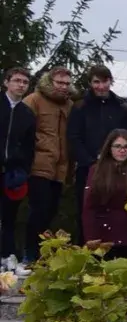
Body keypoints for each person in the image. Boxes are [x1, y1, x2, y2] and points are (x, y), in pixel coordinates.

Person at [69, 66, 127, 240]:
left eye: (104, 81)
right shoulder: (80, 107)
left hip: (116, 168)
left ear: (111, 81)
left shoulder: (121, 107)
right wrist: (89, 161)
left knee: (115, 211)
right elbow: (73, 137)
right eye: (96, 82)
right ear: (90, 83)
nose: (101, 86)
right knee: (87, 211)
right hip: (88, 168)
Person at [21, 68, 72, 268]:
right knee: (38, 210)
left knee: (51, 210)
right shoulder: (34, 100)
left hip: (60, 167)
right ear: (50, 82)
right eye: (59, 82)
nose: (63, 87)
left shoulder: (69, 105)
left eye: (66, 83)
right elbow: (22, 131)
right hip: (39, 164)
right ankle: (29, 252)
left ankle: (43, 253)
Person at [81, 129, 127, 259]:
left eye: (126, 147)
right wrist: (91, 236)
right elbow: (90, 207)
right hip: (104, 236)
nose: (122, 150)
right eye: (118, 146)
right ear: (109, 148)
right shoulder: (97, 170)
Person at [0, 68, 35, 268]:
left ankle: (7, 256)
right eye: (17, 80)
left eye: (25, 82)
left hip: (13, 174)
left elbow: (29, 146)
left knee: (10, 217)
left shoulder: (27, 114)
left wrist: (23, 170)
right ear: (6, 82)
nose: (21, 85)